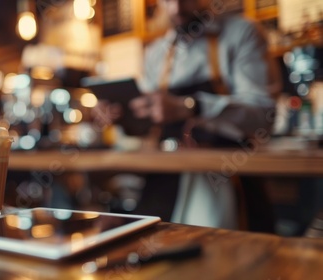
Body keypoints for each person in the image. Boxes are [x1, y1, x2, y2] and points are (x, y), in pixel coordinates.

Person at [96, 0, 281, 231]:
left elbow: (264, 116)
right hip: (167, 178)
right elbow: (149, 125)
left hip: (226, 174)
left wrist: (190, 106)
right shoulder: (155, 53)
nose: (176, 8)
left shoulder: (242, 33)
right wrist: (124, 117)